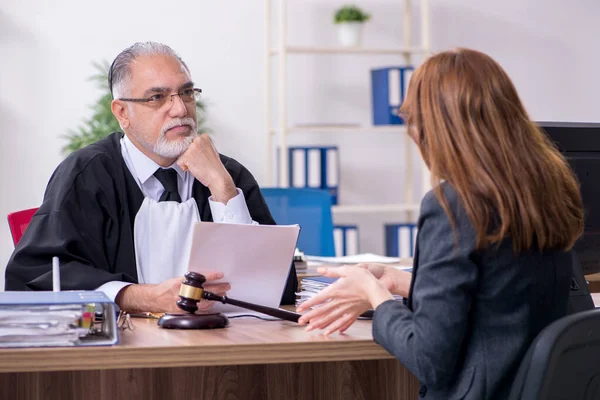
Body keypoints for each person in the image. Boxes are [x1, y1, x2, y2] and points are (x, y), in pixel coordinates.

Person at [297, 48, 584, 400]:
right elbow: (505, 295)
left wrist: (374, 294)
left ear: (435, 129)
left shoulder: (453, 205)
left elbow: (428, 358)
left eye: (413, 124)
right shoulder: (548, 190)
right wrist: (403, 283)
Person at [5, 42, 297, 312]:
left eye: (186, 93)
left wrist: (222, 189)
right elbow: (37, 274)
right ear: (122, 113)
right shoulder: (87, 173)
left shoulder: (228, 173)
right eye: (157, 97)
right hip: (122, 355)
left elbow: (276, 289)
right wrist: (142, 297)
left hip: (220, 349)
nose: (180, 109)